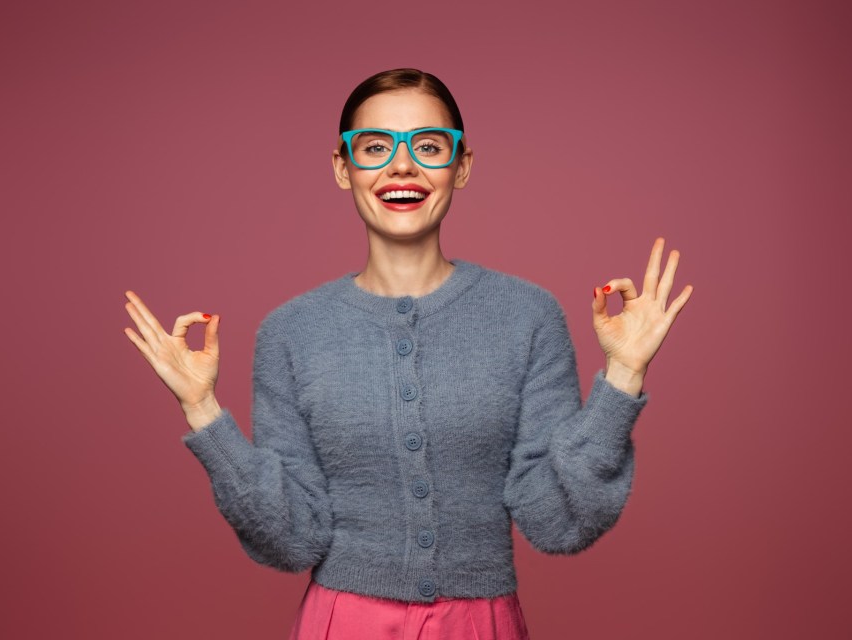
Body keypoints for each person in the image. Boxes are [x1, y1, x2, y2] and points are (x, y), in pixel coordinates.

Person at [122, 68, 692, 639]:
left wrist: (622, 376)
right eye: (374, 147)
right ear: (343, 169)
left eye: (427, 145)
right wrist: (203, 410)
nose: (401, 165)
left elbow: (558, 520)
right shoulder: (290, 332)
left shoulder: (528, 316)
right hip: (342, 625)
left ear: (461, 165)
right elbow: (290, 539)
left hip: (480, 624)